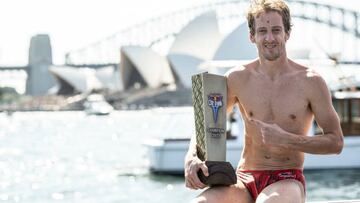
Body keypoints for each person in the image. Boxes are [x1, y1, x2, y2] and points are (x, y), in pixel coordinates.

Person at [184, 0, 344, 202]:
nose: (270, 38)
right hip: (243, 178)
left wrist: (287, 140)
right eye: (262, 31)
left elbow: (336, 142)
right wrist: (191, 155)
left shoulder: (311, 82)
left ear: (287, 33)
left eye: (276, 30)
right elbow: (206, 123)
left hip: (286, 177)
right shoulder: (237, 78)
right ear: (252, 36)